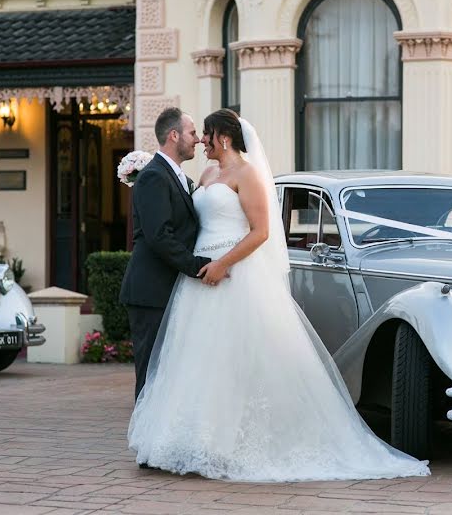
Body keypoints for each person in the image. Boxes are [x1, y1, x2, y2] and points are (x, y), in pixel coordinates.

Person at [127, 108, 430, 482]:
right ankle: (193, 440)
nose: (201, 140)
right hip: (197, 278)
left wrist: (222, 264)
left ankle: (233, 442)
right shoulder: (204, 175)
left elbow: (260, 232)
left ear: (222, 137)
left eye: (204, 134)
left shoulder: (248, 174)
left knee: (236, 361)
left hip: (231, 273)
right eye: (195, 133)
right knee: (195, 362)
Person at [119, 108, 214, 403]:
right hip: (151, 292)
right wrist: (198, 266)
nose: (198, 140)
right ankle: (144, 445)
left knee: (167, 374)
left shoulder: (176, 176)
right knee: (150, 375)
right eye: (192, 132)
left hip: (169, 290)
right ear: (174, 136)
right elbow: (160, 236)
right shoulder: (153, 177)